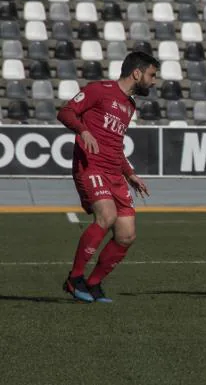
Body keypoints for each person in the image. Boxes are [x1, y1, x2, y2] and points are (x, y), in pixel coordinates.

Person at [57, 51, 158, 302]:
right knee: (107, 216)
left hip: (115, 172)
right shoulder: (98, 90)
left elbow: (115, 145)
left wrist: (130, 174)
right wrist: (83, 131)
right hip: (91, 166)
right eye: (151, 75)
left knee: (126, 235)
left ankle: (93, 284)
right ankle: (75, 278)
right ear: (137, 73)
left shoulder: (129, 106)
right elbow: (66, 112)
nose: (154, 81)